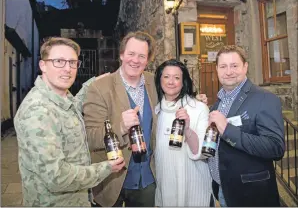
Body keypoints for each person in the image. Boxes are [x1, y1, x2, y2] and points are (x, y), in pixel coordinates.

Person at [83, 31, 208, 207]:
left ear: (147, 60)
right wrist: (119, 128)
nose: (135, 60)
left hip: (148, 180)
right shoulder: (99, 88)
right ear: (121, 55)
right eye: (131, 54)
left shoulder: (153, 82)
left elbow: (174, 95)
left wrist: (195, 101)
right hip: (112, 181)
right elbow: (89, 137)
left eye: (141, 56)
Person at [13, 37, 125, 207]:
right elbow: (57, 177)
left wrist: (92, 84)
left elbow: (71, 106)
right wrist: (107, 168)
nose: (67, 69)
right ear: (43, 65)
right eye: (59, 61)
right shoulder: (38, 112)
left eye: (72, 62)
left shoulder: (60, 96)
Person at [208, 45, 285, 207]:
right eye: (223, 66)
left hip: (251, 194)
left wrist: (228, 130)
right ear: (217, 69)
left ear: (245, 67)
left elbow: (275, 147)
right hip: (223, 190)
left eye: (234, 65)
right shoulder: (217, 104)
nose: (228, 71)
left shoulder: (265, 98)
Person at [154, 59, 212, 206]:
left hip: (193, 185)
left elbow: (202, 152)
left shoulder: (198, 108)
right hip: (165, 185)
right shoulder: (156, 110)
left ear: (183, 81)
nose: (171, 82)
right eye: (166, 77)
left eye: (177, 77)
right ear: (159, 80)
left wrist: (187, 129)